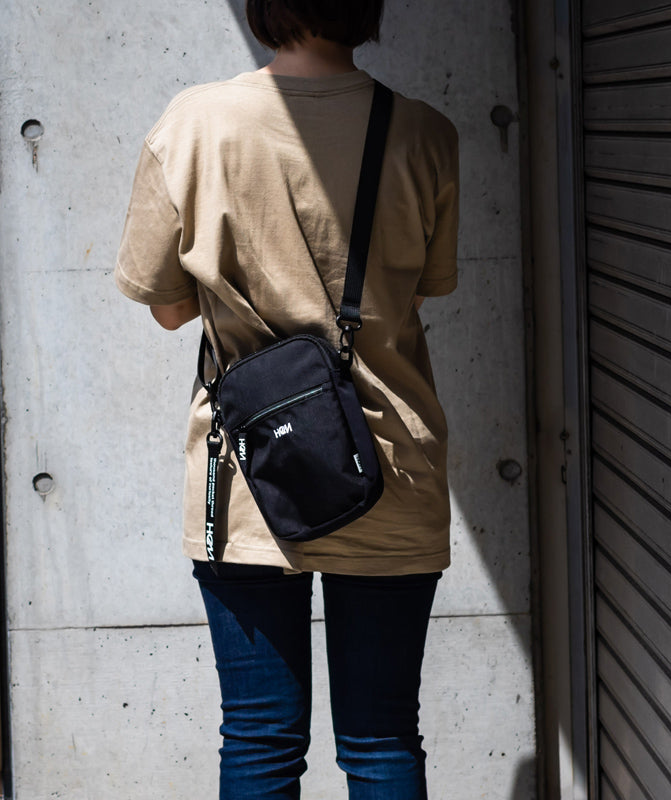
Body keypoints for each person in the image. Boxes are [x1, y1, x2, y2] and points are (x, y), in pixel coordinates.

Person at [115, 1, 459, 798]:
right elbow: (421, 291)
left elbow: (167, 308)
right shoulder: (425, 134)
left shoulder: (193, 124)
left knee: (260, 740)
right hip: (392, 470)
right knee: (382, 741)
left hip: (248, 476)